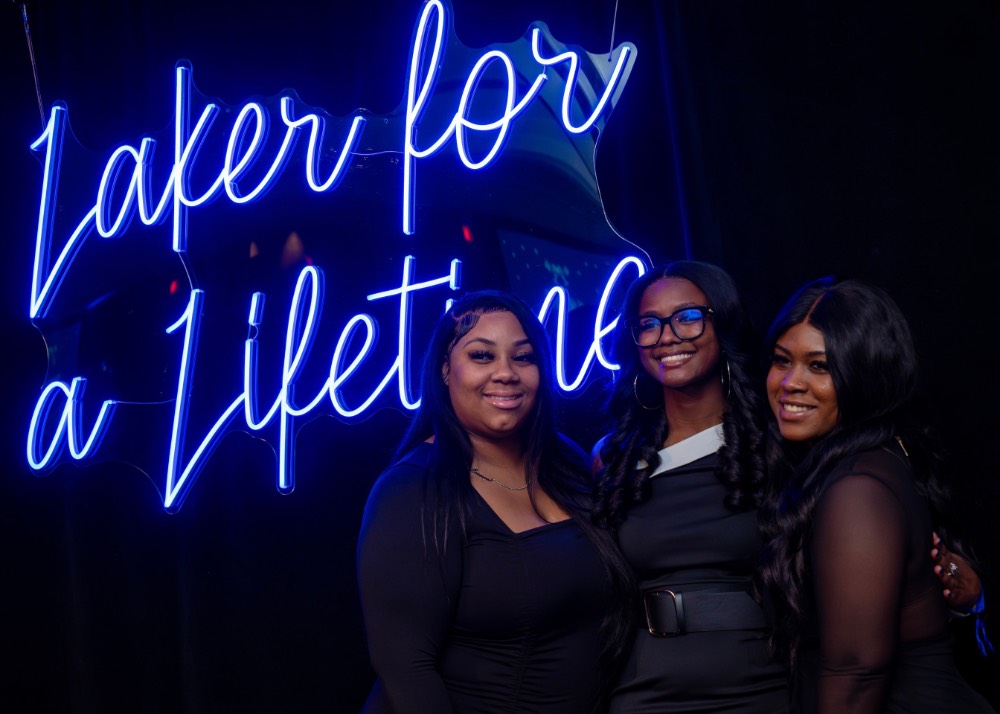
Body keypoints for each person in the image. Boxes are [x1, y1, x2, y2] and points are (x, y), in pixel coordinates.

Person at [356, 289, 634, 713]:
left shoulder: (567, 464)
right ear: (445, 368)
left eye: (523, 357)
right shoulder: (411, 490)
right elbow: (406, 668)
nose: (506, 373)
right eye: (482, 356)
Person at [756, 276, 995, 712]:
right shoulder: (872, 456)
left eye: (819, 366)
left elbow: (856, 674)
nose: (790, 382)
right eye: (781, 360)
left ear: (864, 375)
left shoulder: (857, 490)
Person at [592, 260, 790, 712]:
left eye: (687, 317)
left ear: (723, 324)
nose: (666, 336)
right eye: (649, 324)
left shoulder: (774, 444)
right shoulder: (612, 458)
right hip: (644, 689)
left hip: (758, 687)